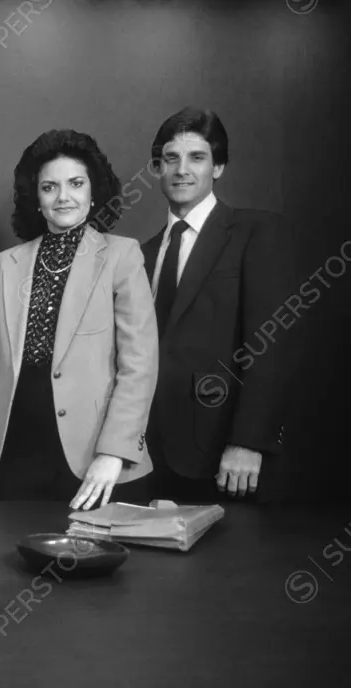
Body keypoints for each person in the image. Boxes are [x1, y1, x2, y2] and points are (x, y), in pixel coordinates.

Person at [0, 129, 158, 510]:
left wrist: (114, 452)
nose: (63, 197)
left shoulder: (122, 256)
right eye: (50, 187)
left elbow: (140, 365)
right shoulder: (6, 264)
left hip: (94, 454)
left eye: (75, 184)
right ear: (36, 199)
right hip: (14, 447)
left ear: (93, 191)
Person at [142, 107, 294, 502]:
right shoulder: (143, 253)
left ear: (219, 167)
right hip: (147, 455)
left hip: (224, 455)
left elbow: (270, 343)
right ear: (157, 168)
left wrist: (249, 441)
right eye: (170, 158)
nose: (181, 169)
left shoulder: (255, 232)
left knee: (226, 564)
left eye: (197, 157)